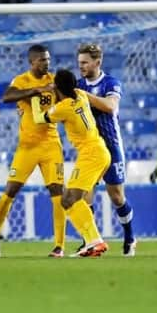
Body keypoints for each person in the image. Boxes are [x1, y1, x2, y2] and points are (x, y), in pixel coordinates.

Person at [0, 44, 66, 258]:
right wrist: (36, 91)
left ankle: (59, 246)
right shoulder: (22, 81)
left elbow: (67, 100)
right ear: (32, 62)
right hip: (26, 147)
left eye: (48, 59)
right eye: (43, 60)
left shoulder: (54, 81)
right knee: (9, 192)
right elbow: (7, 97)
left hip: (51, 145)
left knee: (57, 193)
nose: (47, 63)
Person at [32, 69, 111, 257]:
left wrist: (36, 98)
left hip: (91, 154)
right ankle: (93, 242)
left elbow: (38, 118)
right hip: (101, 150)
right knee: (75, 199)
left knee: (68, 200)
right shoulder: (81, 95)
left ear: (58, 88)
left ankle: (94, 241)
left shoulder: (64, 107)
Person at [76, 43, 136, 256]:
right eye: (79, 62)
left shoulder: (110, 82)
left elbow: (111, 107)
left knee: (117, 197)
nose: (81, 66)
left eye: (84, 62)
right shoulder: (77, 84)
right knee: (84, 195)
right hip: (89, 149)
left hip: (111, 146)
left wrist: (83, 96)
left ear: (97, 62)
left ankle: (129, 237)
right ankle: (89, 241)